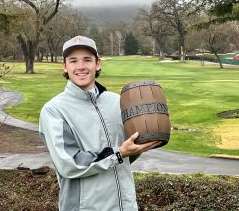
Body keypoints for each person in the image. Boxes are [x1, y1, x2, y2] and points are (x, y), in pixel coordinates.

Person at [39, 35, 161, 211]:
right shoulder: (54, 110)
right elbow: (70, 164)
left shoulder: (117, 102)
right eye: (73, 61)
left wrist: (146, 138)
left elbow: (128, 152)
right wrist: (118, 154)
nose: (80, 66)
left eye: (87, 60)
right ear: (65, 67)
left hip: (125, 205)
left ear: (98, 64)